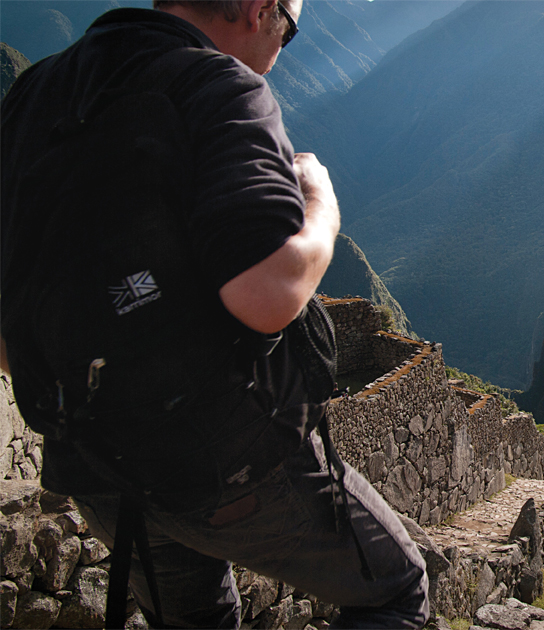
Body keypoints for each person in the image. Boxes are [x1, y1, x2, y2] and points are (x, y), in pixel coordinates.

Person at [0, 1, 429, 627]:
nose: (284, 47)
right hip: (230, 463)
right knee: (395, 590)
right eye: (290, 25)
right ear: (259, 11)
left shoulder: (34, 94)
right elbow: (267, 293)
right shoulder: (219, 84)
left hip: (95, 468)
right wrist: (322, 203)